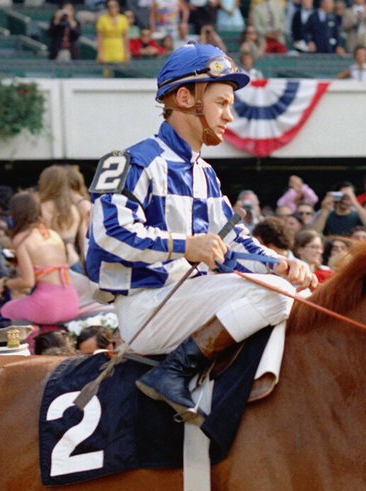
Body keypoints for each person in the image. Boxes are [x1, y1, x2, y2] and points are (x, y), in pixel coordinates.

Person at [85, 44, 314, 425]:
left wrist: (281, 263)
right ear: (186, 97)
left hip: (188, 300)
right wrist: (186, 246)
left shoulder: (204, 173)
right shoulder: (130, 160)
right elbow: (109, 234)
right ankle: (172, 372)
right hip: (147, 306)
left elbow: (234, 238)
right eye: (222, 102)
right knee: (274, 295)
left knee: (298, 292)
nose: (229, 114)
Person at [0, 192, 80, 332]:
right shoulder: (53, 234)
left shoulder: (22, 238)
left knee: (6, 310)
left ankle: (30, 349)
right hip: (71, 301)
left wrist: (3, 283)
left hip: (47, 305)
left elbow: (27, 282)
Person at [95, 0, 130, 76]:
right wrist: (100, 53)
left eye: (114, 6)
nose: (112, 8)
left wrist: (127, 52)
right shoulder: (102, 19)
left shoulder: (123, 19)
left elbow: (125, 37)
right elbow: (99, 37)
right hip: (106, 48)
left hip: (119, 49)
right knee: (107, 73)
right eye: (110, 7)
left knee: (120, 72)